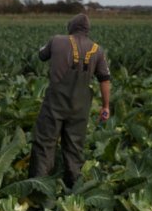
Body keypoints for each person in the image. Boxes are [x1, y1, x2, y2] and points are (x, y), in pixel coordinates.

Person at [28, 13, 110, 189]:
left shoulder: (57, 40)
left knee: (45, 144)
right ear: (87, 30)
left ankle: (39, 188)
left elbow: (41, 55)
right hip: (79, 107)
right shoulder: (97, 50)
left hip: (55, 103)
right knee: (74, 148)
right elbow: (105, 79)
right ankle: (74, 189)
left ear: (71, 27)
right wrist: (106, 106)